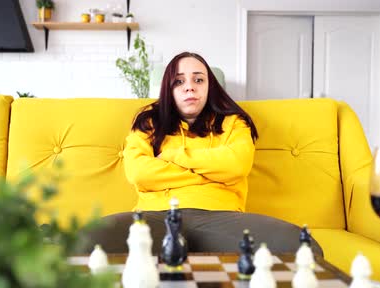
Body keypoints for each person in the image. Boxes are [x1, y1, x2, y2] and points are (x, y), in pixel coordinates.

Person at [86, 52, 322, 256]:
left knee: (305, 247)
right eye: (179, 81)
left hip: (221, 216)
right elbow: (139, 173)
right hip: (154, 215)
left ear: (210, 86)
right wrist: (214, 174)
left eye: (198, 79)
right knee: (82, 242)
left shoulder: (234, 122)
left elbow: (236, 166)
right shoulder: (149, 121)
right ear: (169, 89)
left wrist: (173, 155)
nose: (190, 86)